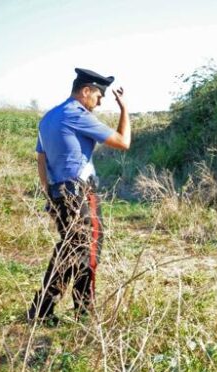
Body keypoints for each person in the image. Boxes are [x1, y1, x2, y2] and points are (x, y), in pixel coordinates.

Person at [27, 68, 131, 323]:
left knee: (70, 250)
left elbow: (42, 158)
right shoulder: (77, 114)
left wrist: (49, 193)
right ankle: (84, 313)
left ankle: (42, 311)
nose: (100, 101)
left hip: (58, 193)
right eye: (98, 96)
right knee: (88, 250)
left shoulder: (49, 117)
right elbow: (122, 141)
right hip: (80, 193)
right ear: (85, 91)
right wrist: (124, 110)